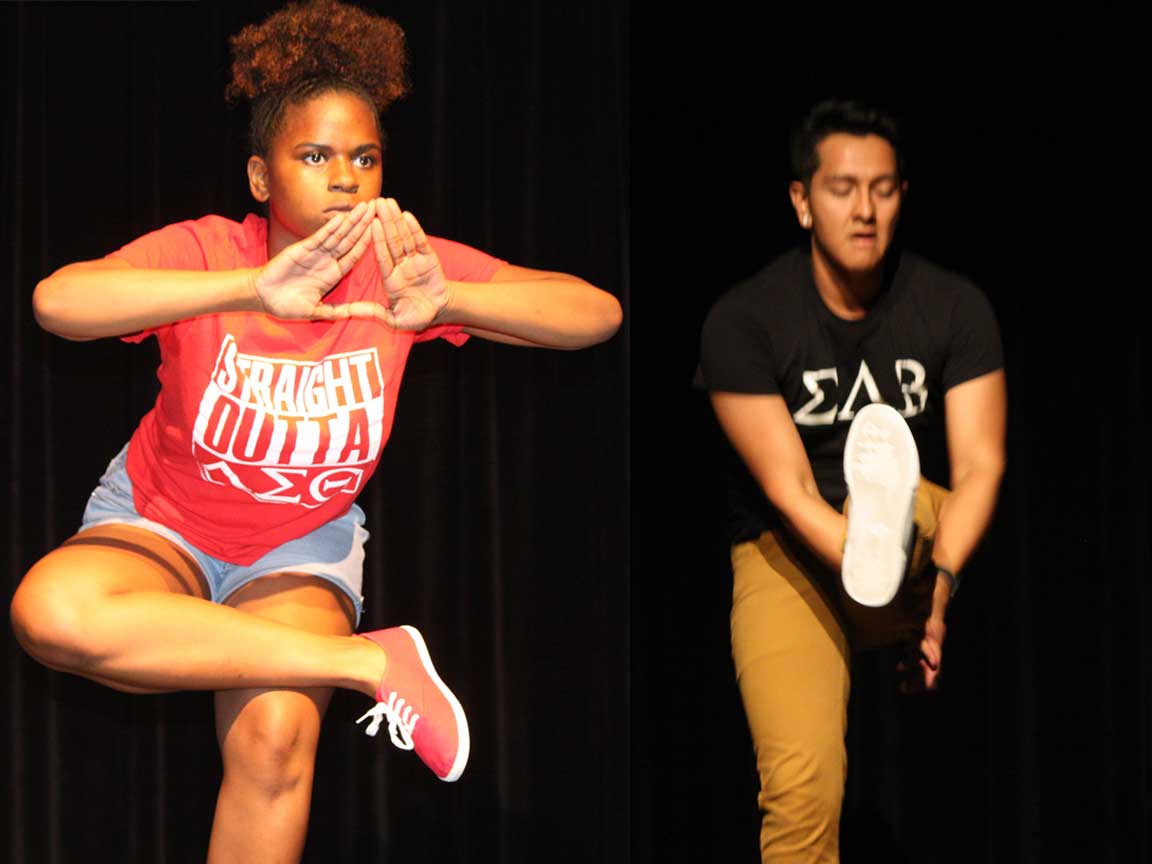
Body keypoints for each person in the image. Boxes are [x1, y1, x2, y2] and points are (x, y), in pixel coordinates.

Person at [8, 1, 622, 861]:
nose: (345, 179)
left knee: (274, 741)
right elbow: (57, 301)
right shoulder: (211, 250)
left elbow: (595, 314)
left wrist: (449, 302)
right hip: (162, 520)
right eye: (316, 156)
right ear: (262, 178)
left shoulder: (402, 268)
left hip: (300, 545)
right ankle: (373, 664)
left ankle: (347, 659)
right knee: (51, 611)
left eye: (364, 158)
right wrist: (247, 291)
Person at [694, 99, 1006, 862]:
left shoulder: (954, 307)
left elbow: (980, 466)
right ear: (802, 200)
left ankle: (887, 535)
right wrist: (868, 562)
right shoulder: (745, 321)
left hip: (917, 535)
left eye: (884, 188)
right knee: (801, 787)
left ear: (902, 195)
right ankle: (879, 543)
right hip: (787, 552)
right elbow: (790, 490)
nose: (864, 210)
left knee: (921, 504)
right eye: (841, 188)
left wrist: (938, 590)